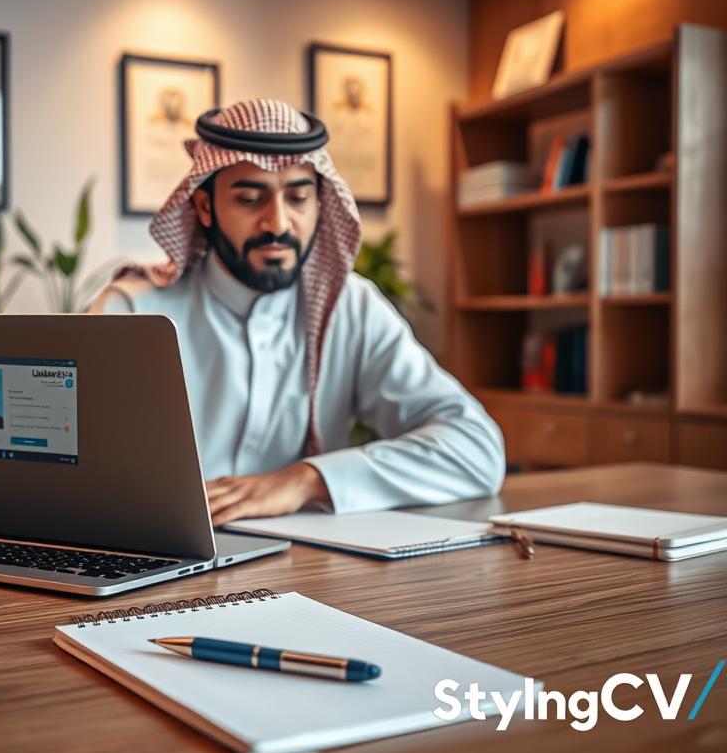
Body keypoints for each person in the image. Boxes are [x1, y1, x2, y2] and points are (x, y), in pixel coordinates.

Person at [93, 98, 504, 525]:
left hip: (314, 562)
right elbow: (74, 475)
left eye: (298, 197)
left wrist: (307, 480)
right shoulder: (131, 312)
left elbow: (477, 451)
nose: (278, 223)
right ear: (205, 208)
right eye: (250, 199)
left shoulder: (351, 307)